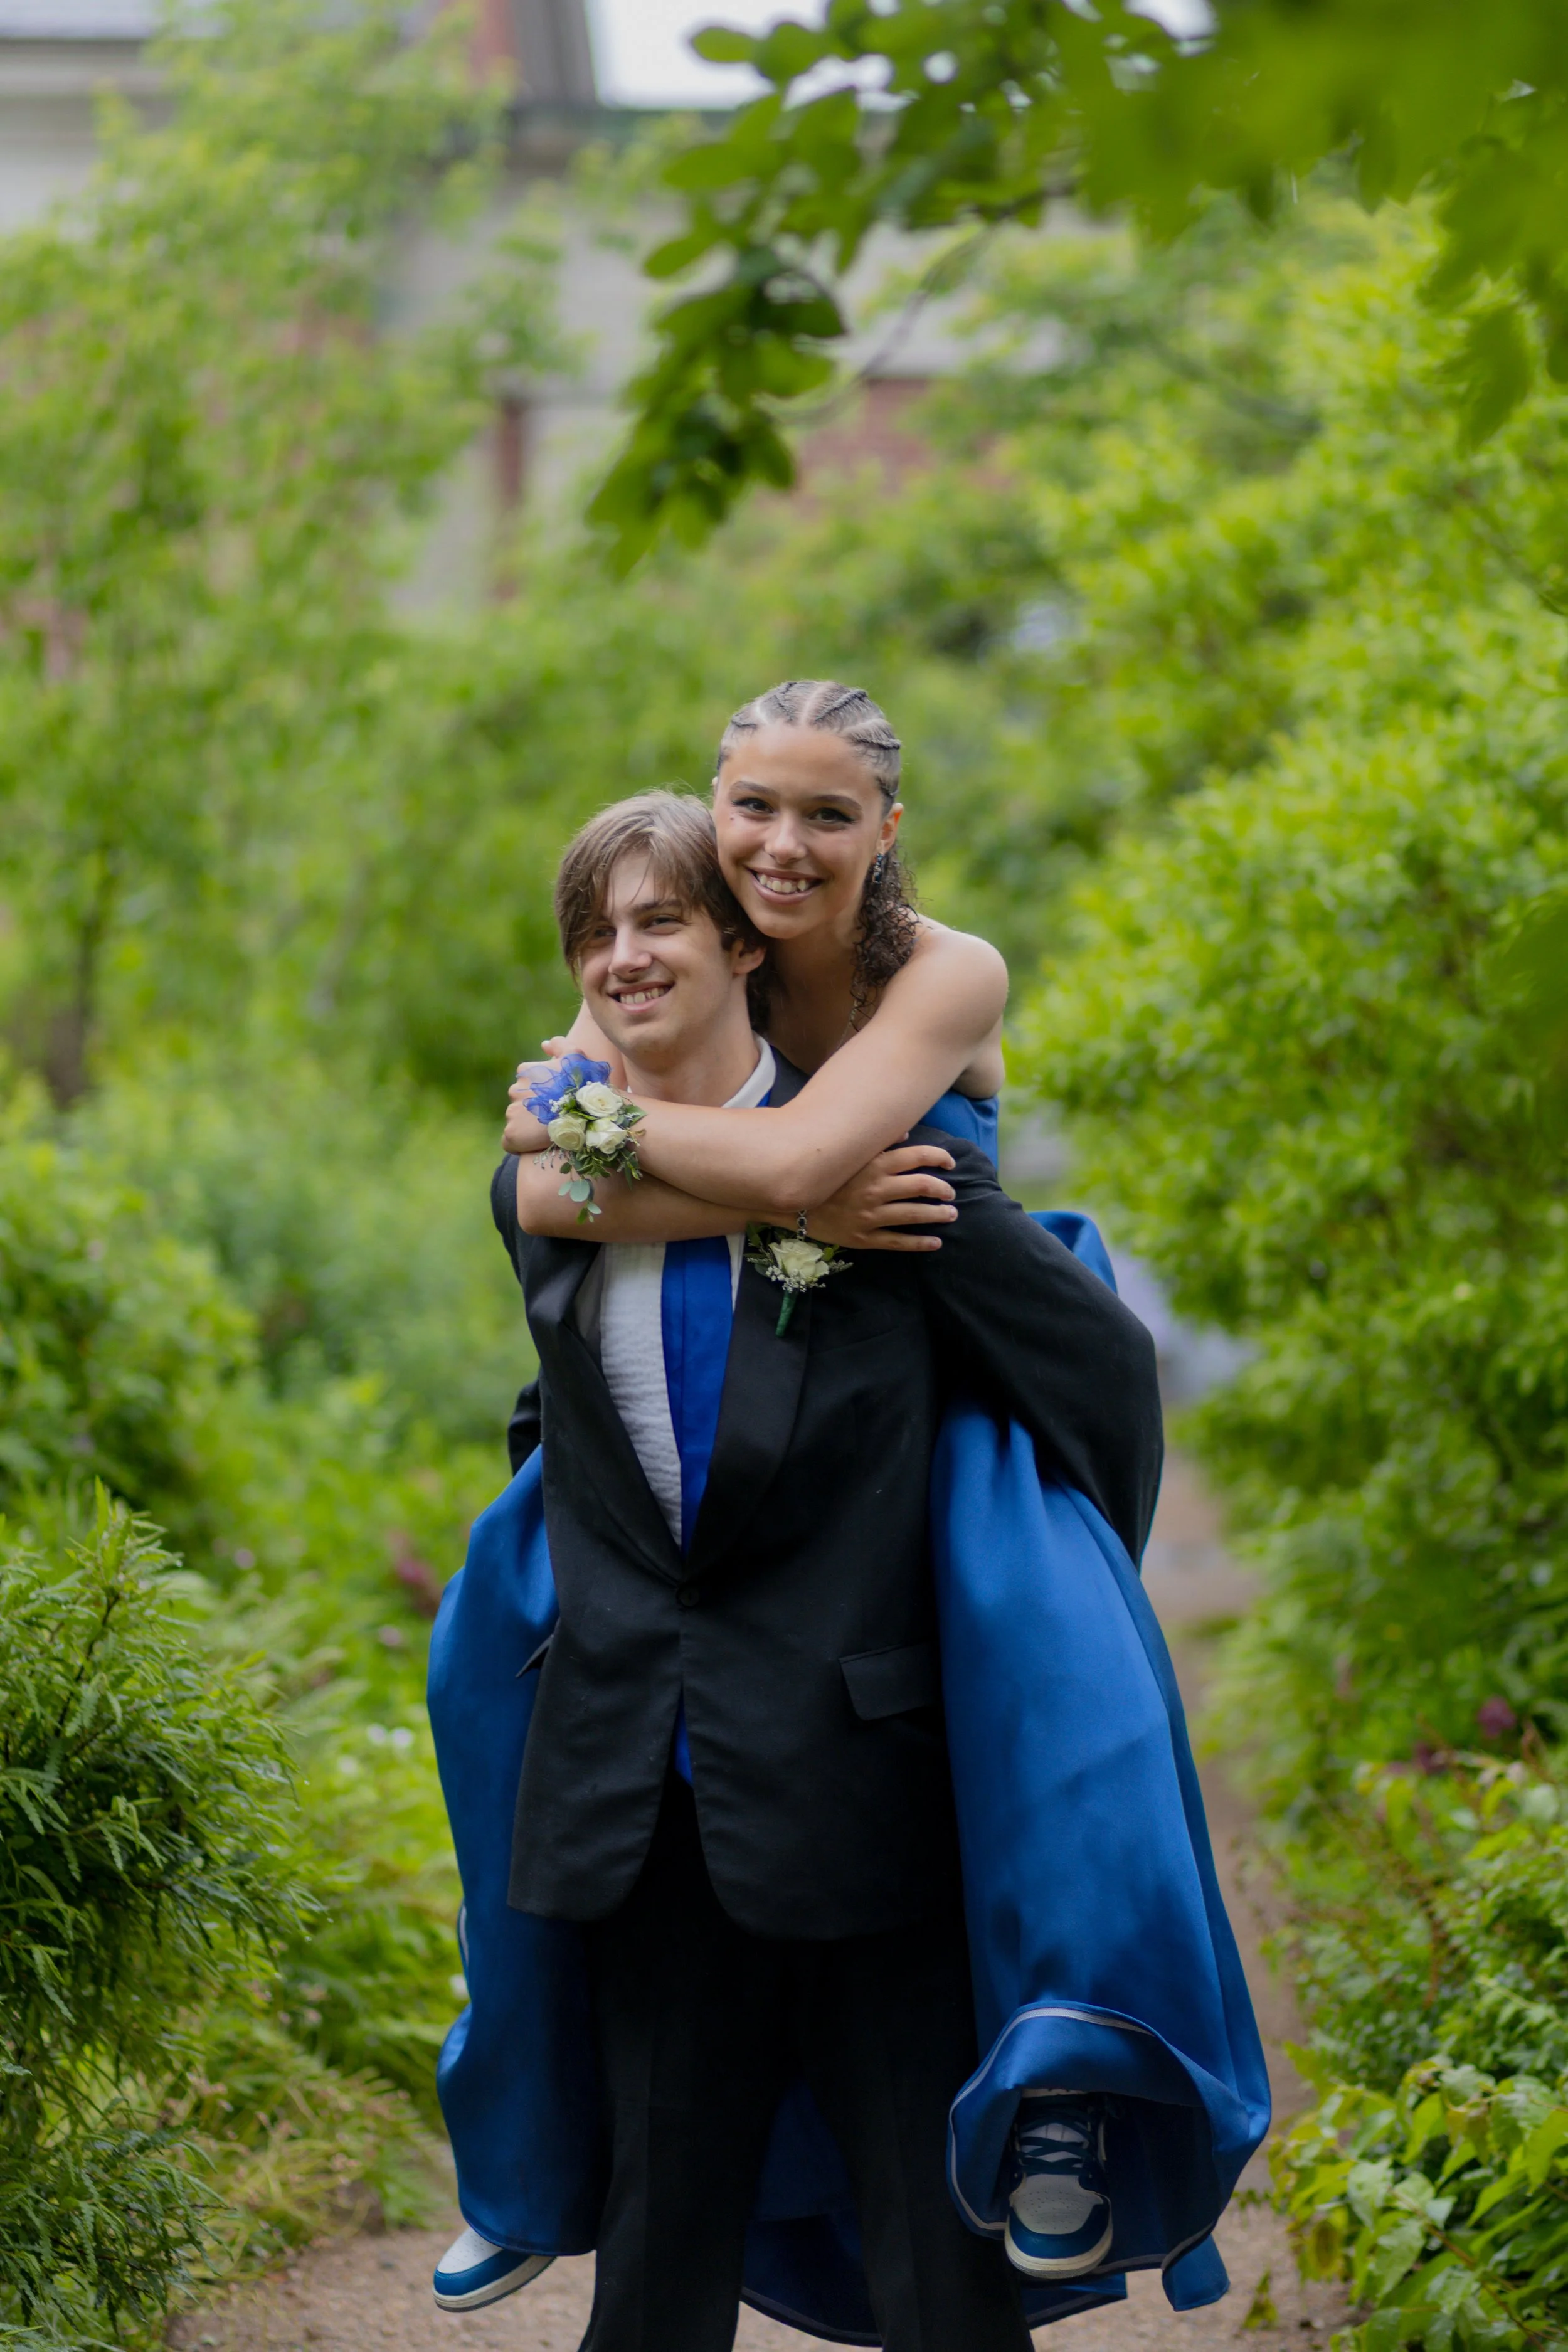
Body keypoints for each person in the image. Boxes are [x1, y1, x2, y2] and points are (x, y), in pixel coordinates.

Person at [449, 788, 1163, 2352]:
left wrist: (1042, 1595)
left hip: (869, 1793)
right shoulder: (556, 1187)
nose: (626, 957)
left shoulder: (897, 1176)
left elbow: (1096, 1371)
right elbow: (549, 1436)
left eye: (659, 922)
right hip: (641, 1801)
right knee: (651, 2272)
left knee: (937, 2273)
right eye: (594, 936)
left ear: (734, 942)